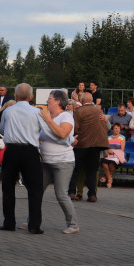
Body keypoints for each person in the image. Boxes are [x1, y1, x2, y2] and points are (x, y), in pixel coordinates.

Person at [0, 83, 44, 234]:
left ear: (15, 96)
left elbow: (1, 130)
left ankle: (9, 222)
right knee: (35, 189)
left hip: (11, 150)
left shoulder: (8, 111)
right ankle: (34, 225)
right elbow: (44, 131)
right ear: (31, 97)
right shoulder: (37, 112)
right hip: (30, 151)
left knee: (8, 188)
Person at [37, 89, 79, 234]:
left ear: (58, 101)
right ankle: (32, 220)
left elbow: (62, 133)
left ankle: (73, 224)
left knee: (61, 194)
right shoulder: (46, 116)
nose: (47, 101)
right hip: (46, 162)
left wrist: (48, 120)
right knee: (36, 192)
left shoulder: (66, 116)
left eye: (50, 98)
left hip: (63, 163)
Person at [69, 92, 109, 202]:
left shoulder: (79, 111)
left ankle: (72, 192)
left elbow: (75, 128)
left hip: (82, 144)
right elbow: (104, 126)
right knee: (92, 171)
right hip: (96, 145)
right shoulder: (98, 110)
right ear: (91, 100)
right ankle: (92, 195)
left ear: (81, 101)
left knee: (75, 169)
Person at [101, 123, 127, 188]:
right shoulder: (108, 138)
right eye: (115, 128)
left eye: (118, 128)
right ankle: (109, 178)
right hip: (108, 154)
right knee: (104, 163)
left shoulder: (122, 138)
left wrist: (113, 152)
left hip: (117, 154)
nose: (117, 129)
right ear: (112, 130)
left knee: (111, 164)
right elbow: (106, 147)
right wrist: (108, 150)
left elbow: (122, 149)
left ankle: (106, 177)